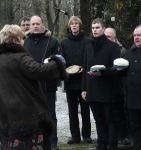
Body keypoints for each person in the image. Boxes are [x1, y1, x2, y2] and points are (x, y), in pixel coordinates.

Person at [0, 24, 67, 150]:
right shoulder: (19, 56)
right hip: (25, 111)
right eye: (21, 38)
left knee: (10, 143)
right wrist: (56, 61)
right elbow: (38, 70)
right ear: (15, 40)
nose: (23, 41)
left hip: (6, 112)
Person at [81, 18, 120, 150]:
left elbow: (116, 69)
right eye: (93, 28)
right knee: (98, 120)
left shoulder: (113, 47)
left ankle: (112, 145)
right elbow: (85, 68)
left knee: (110, 120)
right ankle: (101, 144)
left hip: (107, 89)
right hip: (92, 89)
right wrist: (84, 88)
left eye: (97, 27)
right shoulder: (88, 47)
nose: (95, 30)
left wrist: (102, 73)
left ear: (103, 29)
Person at [24, 15, 60, 150]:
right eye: (32, 24)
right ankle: (35, 140)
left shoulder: (52, 41)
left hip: (48, 84)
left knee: (50, 114)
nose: (35, 26)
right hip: (30, 86)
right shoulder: (25, 42)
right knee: (32, 115)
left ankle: (53, 140)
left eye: (37, 24)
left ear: (42, 24)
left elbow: (58, 62)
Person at [60, 16, 92, 144]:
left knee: (85, 109)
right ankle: (75, 136)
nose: (74, 26)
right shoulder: (63, 43)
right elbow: (61, 61)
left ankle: (87, 135)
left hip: (84, 81)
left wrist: (85, 68)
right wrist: (67, 69)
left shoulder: (88, 41)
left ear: (80, 26)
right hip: (70, 81)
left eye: (76, 24)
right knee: (72, 111)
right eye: (72, 24)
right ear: (69, 27)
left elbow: (91, 58)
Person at [104, 27, 131, 145]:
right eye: (105, 37)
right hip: (106, 86)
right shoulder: (102, 48)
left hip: (119, 86)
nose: (107, 39)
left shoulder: (122, 51)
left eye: (109, 37)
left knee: (121, 112)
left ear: (114, 37)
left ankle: (124, 135)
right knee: (108, 114)